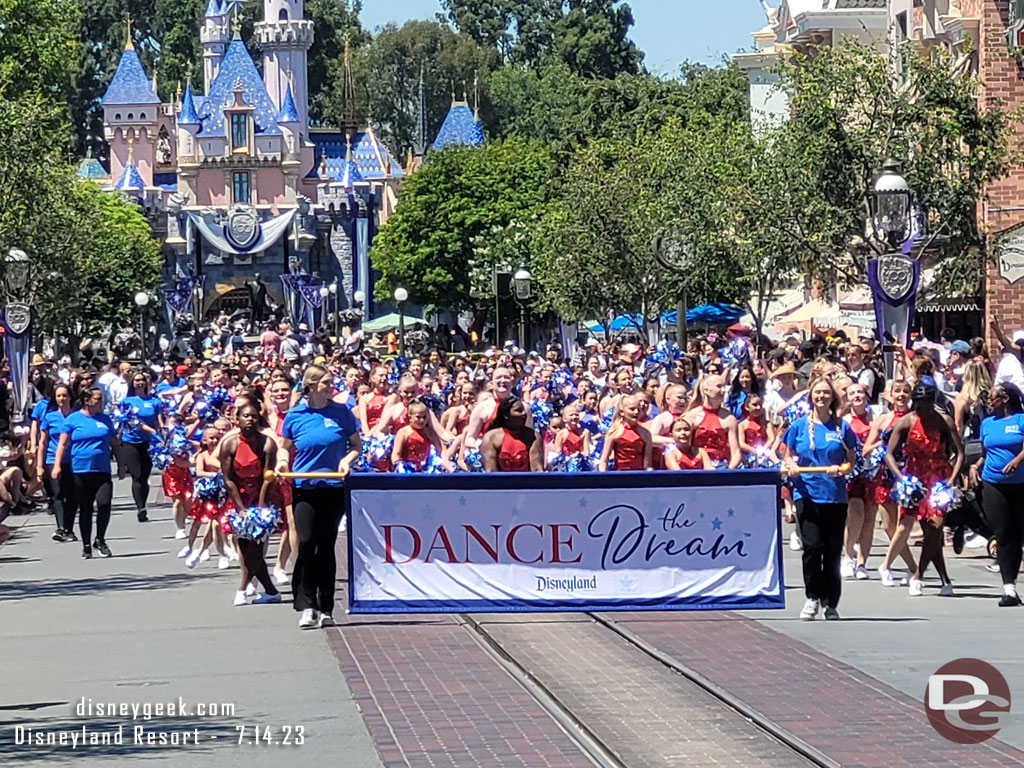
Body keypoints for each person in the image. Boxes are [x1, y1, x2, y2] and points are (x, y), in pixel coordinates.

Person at [279, 365, 362, 629]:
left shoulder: (341, 412)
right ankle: (307, 604)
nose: (332, 387)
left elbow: (356, 445)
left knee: (326, 545)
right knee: (306, 542)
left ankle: (326, 605)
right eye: (327, 383)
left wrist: (348, 460)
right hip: (304, 485)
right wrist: (283, 463)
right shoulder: (296, 415)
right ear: (312, 385)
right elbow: (285, 448)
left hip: (333, 486)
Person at [781, 376, 858, 621]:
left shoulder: (842, 427)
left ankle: (830, 603)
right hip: (806, 493)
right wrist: (791, 465)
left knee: (832, 550)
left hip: (834, 496)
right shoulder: (798, 426)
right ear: (811, 396)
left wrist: (842, 468)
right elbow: (787, 455)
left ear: (832, 397)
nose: (821, 397)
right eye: (817, 393)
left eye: (826, 393)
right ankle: (812, 597)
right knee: (812, 548)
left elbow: (851, 460)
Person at [884, 377, 963, 597]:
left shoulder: (943, 421)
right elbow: (889, 453)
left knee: (935, 528)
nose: (924, 408)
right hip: (914, 480)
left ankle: (918, 575)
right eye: (919, 403)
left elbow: (960, 453)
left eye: (927, 403)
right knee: (928, 533)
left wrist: (951, 479)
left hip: (938, 479)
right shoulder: (906, 422)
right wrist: (901, 477)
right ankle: (944, 579)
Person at [221, 401, 281, 607]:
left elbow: (268, 477)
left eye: (254, 416)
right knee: (245, 548)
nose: (250, 420)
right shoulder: (230, 444)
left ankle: (242, 588)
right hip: (238, 498)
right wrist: (240, 508)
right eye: (245, 416)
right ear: (237, 419)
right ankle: (271, 591)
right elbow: (228, 478)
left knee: (255, 548)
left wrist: (261, 507)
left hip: (261, 497)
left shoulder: (267, 444)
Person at [53, 387, 122, 559]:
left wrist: (121, 465)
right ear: (87, 400)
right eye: (98, 399)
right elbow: (62, 444)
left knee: (104, 504)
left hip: (102, 470)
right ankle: (86, 544)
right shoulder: (73, 419)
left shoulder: (104, 420)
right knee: (85, 508)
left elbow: (115, 444)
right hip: (80, 470)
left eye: (102, 399)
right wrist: (57, 465)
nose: (101, 402)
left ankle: (100, 539)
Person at [971, 383, 1024, 606]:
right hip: (993, 482)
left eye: (992, 396)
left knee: (1017, 533)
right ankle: (1008, 587)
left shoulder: (1020, 420)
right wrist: (975, 466)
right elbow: (986, 452)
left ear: (1005, 398)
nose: (989, 400)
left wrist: (1017, 460)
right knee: (1002, 532)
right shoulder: (987, 424)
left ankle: (1012, 578)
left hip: (1020, 482)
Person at [120, 371, 165, 524]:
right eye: (137, 380)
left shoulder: (154, 401)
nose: (140, 383)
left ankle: (143, 504)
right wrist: (148, 429)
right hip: (131, 442)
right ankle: (140, 508)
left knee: (145, 476)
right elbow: (131, 420)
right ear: (132, 383)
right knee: (137, 475)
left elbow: (160, 421)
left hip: (149, 443)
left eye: (142, 380)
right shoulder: (127, 401)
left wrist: (164, 434)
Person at [37, 384, 77, 542]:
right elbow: (43, 443)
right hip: (53, 460)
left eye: (64, 395)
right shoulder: (50, 417)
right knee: (58, 494)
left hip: (74, 460)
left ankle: (69, 528)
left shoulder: (77, 416)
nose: (62, 399)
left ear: (70, 397)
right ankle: (61, 528)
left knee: (73, 496)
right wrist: (40, 466)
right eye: (59, 396)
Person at [684, 375, 741, 469]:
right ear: (706, 390)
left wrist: (728, 472)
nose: (723, 391)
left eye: (724, 387)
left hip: (722, 468)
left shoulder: (729, 418)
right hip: (697, 468)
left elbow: (736, 452)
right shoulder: (692, 416)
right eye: (719, 386)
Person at [481, 397, 543, 472]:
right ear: (506, 415)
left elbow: (537, 469)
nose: (524, 413)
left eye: (524, 410)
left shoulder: (533, 436)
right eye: (519, 410)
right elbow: (491, 471)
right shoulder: (491, 437)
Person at [598, 395, 652, 471]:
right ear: (622, 412)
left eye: (639, 410)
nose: (636, 412)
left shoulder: (645, 434)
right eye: (632, 409)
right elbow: (604, 460)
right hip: (619, 475)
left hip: (639, 476)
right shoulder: (614, 432)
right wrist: (602, 478)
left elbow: (647, 464)